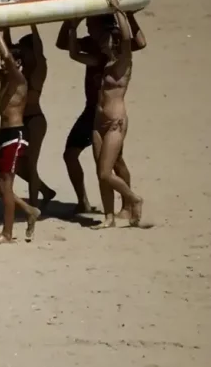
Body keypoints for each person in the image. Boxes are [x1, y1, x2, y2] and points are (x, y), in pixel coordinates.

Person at [56, 11, 146, 215]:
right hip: (92, 111)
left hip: (111, 115)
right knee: (71, 154)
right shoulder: (91, 44)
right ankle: (84, 202)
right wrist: (71, 23)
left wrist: (128, 16)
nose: (88, 28)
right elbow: (64, 46)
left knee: (115, 162)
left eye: (91, 24)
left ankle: (126, 204)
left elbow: (139, 43)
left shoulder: (116, 45)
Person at [0, 26, 56, 210]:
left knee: (31, 165)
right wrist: (5, 25)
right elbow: (6, 53)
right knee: (22, 168)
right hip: (18, 123)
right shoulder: (10, 74)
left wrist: (34, 24)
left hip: (33, 119)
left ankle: (34, 204)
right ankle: (45, 192)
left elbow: (33, 52)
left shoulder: (38, 69)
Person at [0, 30, 41, 243]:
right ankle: (29, 209)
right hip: (2, 136)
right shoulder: (3, 78)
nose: (3, 65)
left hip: (15, 135)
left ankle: (7, 234)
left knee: (6, 186)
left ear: (19, 63)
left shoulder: (20, 79)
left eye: (8, 62)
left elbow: (9, 61)